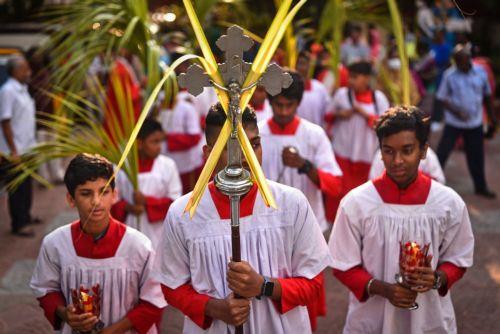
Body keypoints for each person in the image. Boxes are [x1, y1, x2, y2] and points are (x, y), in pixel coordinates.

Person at [154, 104, 332, 333]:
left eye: (254, 144)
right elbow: (172, 285)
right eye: (232, 147)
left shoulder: (291, 203)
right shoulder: (184, 212)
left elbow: (313, 284)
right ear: (208, 154)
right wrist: (214, 308)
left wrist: (264, 286)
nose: (247, 157)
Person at [329, 106, 474, 333]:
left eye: (407, 150)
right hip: (372, 319)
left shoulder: (448, 203)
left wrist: (437, 278)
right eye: (388, 151)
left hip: (429, 318)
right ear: (380, 151)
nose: (397, 161)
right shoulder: (357, 203)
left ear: (424, 150)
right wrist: (382, 289)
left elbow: (458, 257)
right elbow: (342, 264)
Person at [30, 153, 166, 333]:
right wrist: (65, 314)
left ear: (115, 195)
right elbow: (45, 289)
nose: (96, 202)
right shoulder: (55, 244)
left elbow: (154, 300)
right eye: (86, 193)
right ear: (71, 199)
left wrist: (115, 330)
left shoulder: (138, 246)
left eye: (104, 192)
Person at [260, 71, 342, 232]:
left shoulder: (314, 134)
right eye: (279, 105)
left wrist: (305, 165)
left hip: (309, 224)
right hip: (267, 224)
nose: (284, 112)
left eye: (289, 105)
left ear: (298, 103)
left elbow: (335, 185)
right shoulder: (257, 135)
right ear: (270, 102)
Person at [436, 45, 497, 198]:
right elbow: (441, 98)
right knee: (442, 153)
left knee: (476, 156)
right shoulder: (449, 75)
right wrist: (457, 111)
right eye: (457, 62)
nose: (460, 65)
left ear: (469, 59)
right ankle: (433, 184)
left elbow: (487, 96)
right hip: (454, 123)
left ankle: (481, 187)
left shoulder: (480, 72)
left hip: (475, 123)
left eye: (462, 62)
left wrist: (492, 118)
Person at [111, 118, 182, 248]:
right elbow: (111, 199)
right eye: (154, 142)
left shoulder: (168, 165)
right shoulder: (121, 167)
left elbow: (176, 203)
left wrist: (146, 201)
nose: (159, 146)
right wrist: (128, 207)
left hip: (159, 231)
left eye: (160, 141)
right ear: (139, 143)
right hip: (129, 228)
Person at [326, 61, 390, 194]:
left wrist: (364, 114)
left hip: (366, 155)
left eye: (355, 77)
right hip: (341, 153)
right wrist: (339, 114)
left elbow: (386, 127)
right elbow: (327, 116)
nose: (350, 81)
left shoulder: (379, 99)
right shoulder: (341, 94)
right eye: (350, 76)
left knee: (361, 193)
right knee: (338, 192)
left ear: (367, 78)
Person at [0, 55, 37, 237]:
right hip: (14, 150)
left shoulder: (23, 89)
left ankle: (26, 216)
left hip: (28, 147)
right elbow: (5, 121)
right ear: (15, 71)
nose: (28, 72)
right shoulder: (8, 91)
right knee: (17, 188)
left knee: (27, 185)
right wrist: (13, 149)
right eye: (25, 69)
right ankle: (19, 223)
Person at [160, 54, 204, 194]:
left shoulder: (186, 106)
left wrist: (167, 138)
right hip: (166, 161)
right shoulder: (157, 106)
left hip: (187, 164)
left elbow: (195, 137)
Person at [369, 146, 445, 184]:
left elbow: (439, 182)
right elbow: (373, 183)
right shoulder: (381, 154)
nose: (397, 161)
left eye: (407, 151)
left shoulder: (428, 155)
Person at [295, 51, 330, 127]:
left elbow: (327, 113)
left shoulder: (320, 88)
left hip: (315, 134)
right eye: (300, 63)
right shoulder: (289, 87)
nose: (302, 67)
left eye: (305, 64)